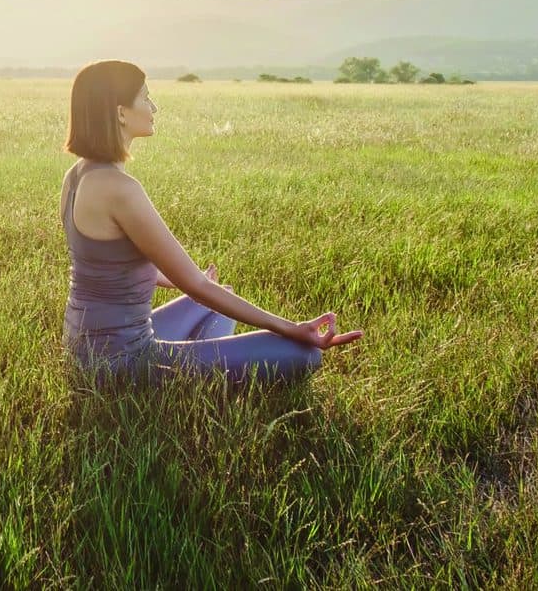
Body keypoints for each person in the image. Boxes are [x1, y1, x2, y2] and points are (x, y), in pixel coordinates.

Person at [61, 59, 364, 384]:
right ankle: (191, 376)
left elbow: (107, 265)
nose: (154, 107)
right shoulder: (121, 190)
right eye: (146, 98)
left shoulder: (78, 174)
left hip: (85, 349)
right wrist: (292, 328)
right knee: (304, 354)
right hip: (122, 362)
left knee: (218, 300)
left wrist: (185, 281)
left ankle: (195, 370)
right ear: (121, 112)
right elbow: (198, 286)